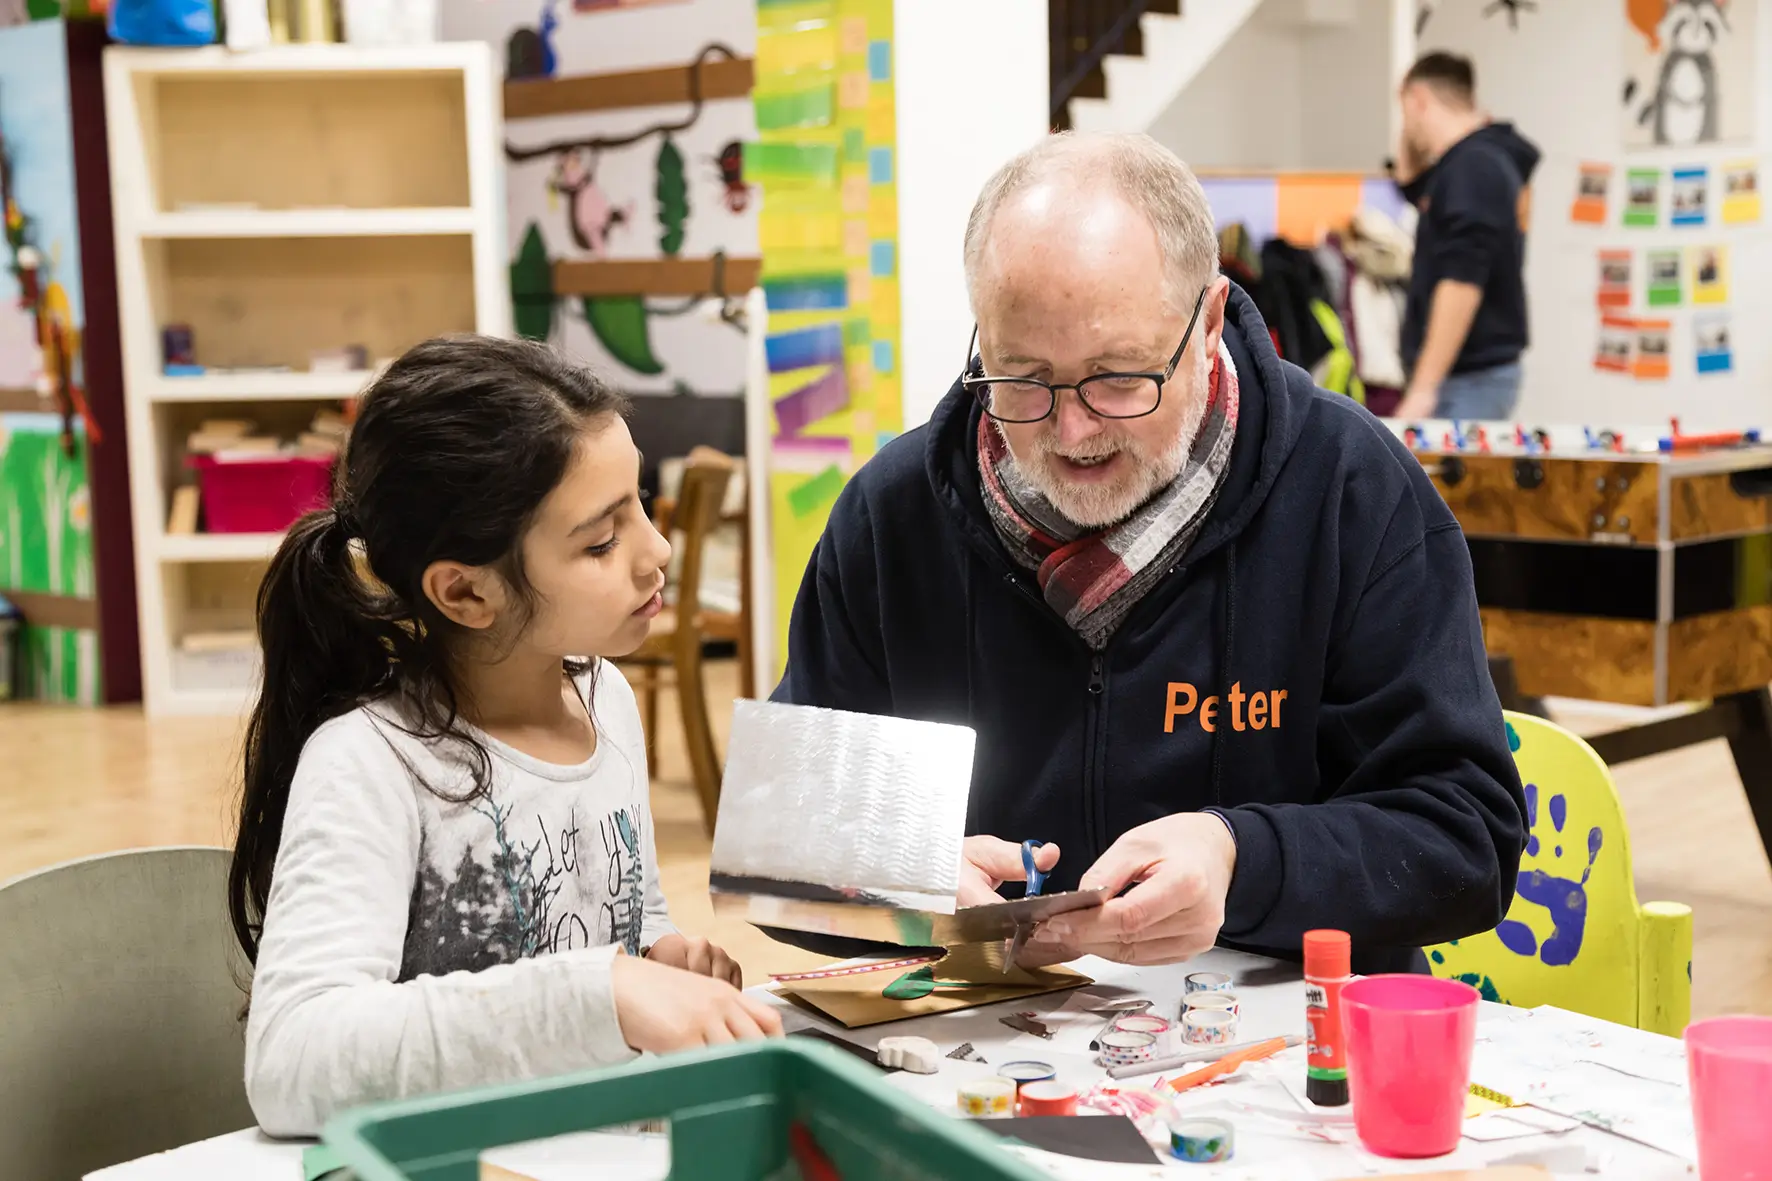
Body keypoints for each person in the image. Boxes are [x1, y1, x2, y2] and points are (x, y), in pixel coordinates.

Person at [773, 132, 1526, 976]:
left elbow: (1468, 837)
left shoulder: (1352, 491)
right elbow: (779, 837)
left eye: (1118, 376)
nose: (1072, 431)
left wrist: (1242, 858)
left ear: (1208, 324)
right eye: (1022, 377)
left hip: (1288, 1038)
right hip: (984, 1036)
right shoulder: (892, 517)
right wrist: (893, 873)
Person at [230, 336, 781, 1138]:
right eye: (601, 541)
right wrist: (602, 994)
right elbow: (292, 1060)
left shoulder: (606, 700)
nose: (657, 551)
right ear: (464, 591)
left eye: (640, 504)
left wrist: (660, 955)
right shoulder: (370, 762)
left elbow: (626, 912)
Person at [1391, 53, 1540, 422]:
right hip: (1470, 376)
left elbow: (1462, 281)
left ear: (1419, 99)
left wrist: (1423, 389)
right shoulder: (1470, 162)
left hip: (1466, 381)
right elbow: (1411, 185)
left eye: (1405, 111)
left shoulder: (1473, 167)